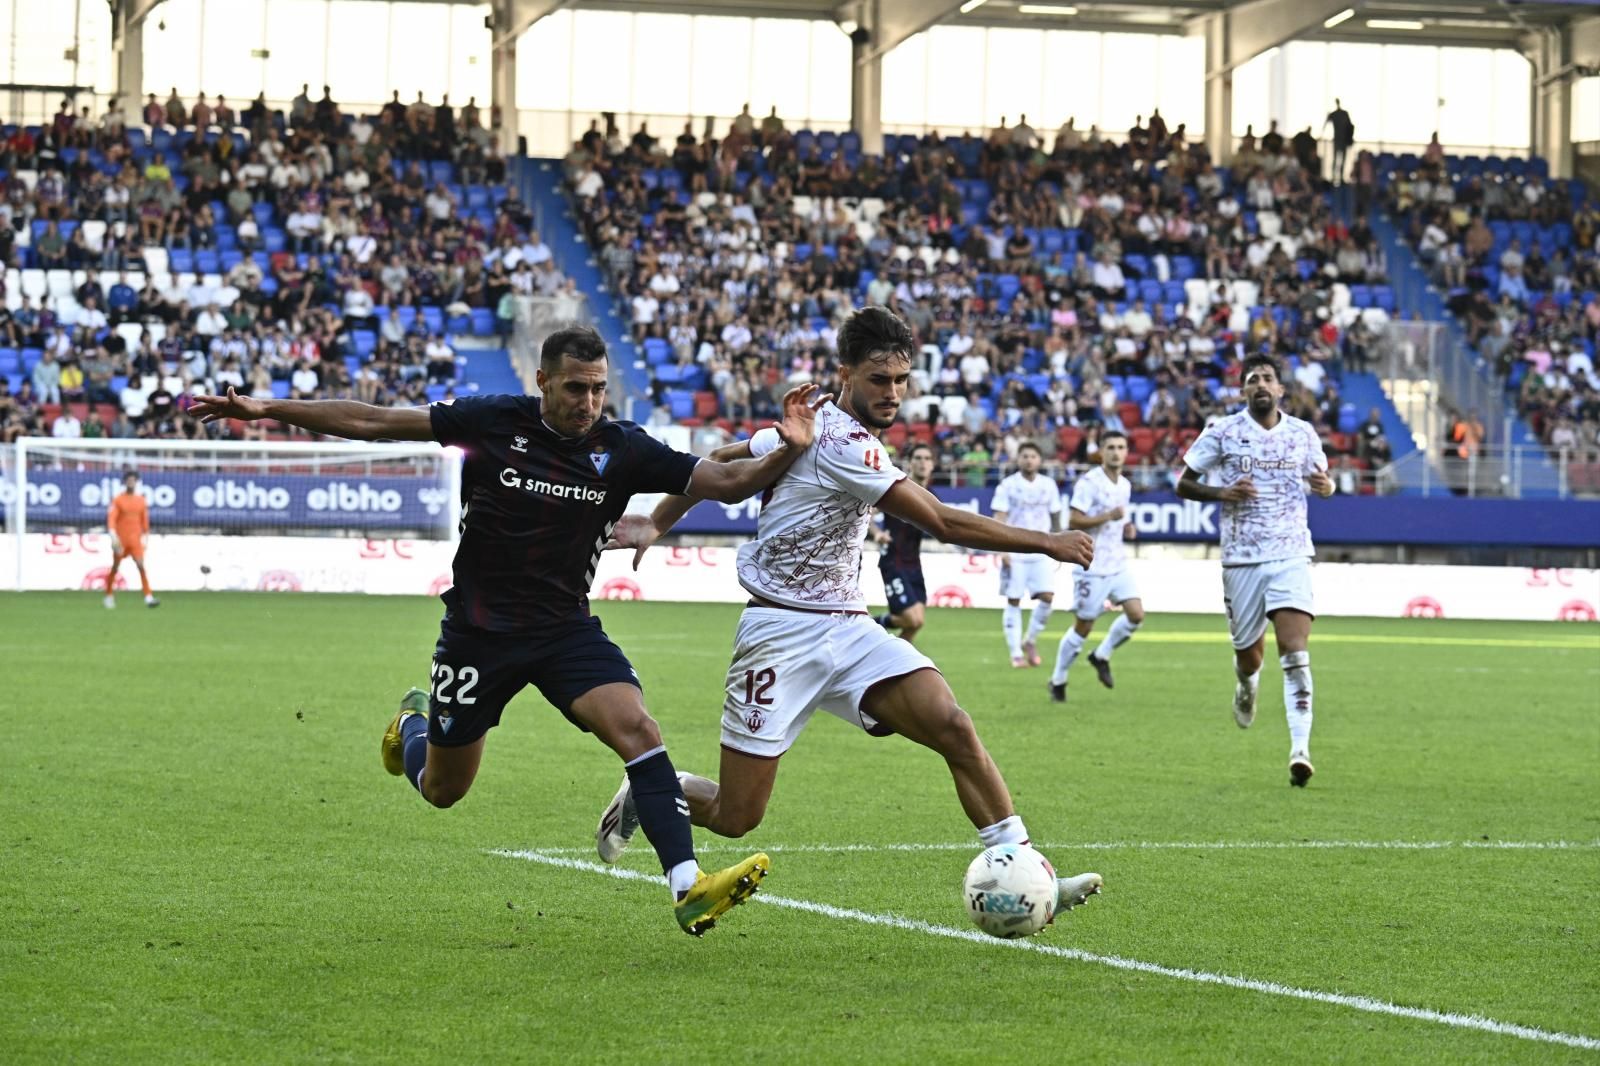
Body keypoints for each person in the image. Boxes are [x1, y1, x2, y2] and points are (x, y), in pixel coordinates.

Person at [190, 326, 827, 936]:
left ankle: (688, 887)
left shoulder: (624, 448)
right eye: (575, 388)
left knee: (640, 730)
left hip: (564, 632)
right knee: (443, 789)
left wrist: (792, 446)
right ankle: (411, 724)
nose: (588, 402)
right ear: (543, 381)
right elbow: (374, 421)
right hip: (478, 635)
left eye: (598, 389)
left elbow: (728, 482)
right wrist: (266, 407)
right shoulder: (494, 421)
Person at [597, 306, 1105, 917]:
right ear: (845, 373)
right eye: (878, 379)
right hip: (779, 635)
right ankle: (656, 791)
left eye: (901, 380)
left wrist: (658, 520)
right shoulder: (841, 443)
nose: (893, 393)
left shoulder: (808, 427)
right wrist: (1047, 541)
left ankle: (1027, 872)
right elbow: (940, 520)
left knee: (952, 725)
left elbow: (724, 457)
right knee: (736, 817)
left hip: (848, 626)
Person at [1176, 354, 1335, 786]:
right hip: (1241, 557)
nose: (1261, 384)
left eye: (1267, 378)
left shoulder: (1302, 433)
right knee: (1249, 656)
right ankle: (1247, 684)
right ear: (1243, 390)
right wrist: (1223, 492)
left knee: (1295, 652)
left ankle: (1300, 750)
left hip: (1291, 553)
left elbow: (1324, 483)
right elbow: (1183, 483)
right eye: (1252, 379)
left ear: (1281, 389)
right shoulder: (1223, 431)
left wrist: (1327, 486)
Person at [1049, 431, 1142, 702]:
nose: (1116, 452)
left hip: (1118, 563)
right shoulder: (1089, 483)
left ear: (1126, 452)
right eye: (1110, 447)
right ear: (1101, 451)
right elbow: (1074, 520)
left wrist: (1126, 525)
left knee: (1136, 614)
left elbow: (1119, 518)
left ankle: (1101, 655)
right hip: (1091, 563)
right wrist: (1108, 516)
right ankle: (1058, 679)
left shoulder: (1125, 485)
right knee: (1084, 626)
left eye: (1121, 447)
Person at [991, 441, 1063, 668]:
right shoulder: (1007, 485)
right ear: (1018, 459)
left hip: (1042, 549)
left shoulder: (1049, 485)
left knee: (1048, 597)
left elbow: (1055, 517)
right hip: (1015, 550)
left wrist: (1059, 545)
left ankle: (1030, 640)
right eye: (1025, 456)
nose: (1029, 460)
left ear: (1039, 460)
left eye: (1033, 456)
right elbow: (999, 518)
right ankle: (1015, 654)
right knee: (1014, 600)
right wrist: (1001, 548)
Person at [871, 442, 935, 642]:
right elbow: (867, 512)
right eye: (918, 458)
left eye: (927, 459)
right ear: (910, 463)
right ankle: (867, 625)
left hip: (914, 563)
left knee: (917, 622)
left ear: (933, 465)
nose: (923, 463)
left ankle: (894, 661)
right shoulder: (897, 489)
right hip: (893, 561)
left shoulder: (932, 496)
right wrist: (877, 533)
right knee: (910, 618)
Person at [105, 471, 158, 609]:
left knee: (141, 565)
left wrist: (145, 536)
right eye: (129, 481)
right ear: (125, 482)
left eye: (133, 481)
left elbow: (144, 520)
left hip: (135, 540)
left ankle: (148, 596)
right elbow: (112, 518)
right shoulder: (118, 500)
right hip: (121, 540)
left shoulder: (141, 500)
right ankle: (109, 595)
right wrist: (113, 534)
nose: (131, 483)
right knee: (115, 567)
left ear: (136, 483)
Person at [1323, 99, 1355, 186]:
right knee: (1337, 159)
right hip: (1339, 140)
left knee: (1340, 160)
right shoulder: (1339, 114)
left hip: (1341, 140)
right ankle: (1336, 177)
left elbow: (1350, 126)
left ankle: (1339, 177)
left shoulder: (1341, 114)